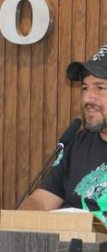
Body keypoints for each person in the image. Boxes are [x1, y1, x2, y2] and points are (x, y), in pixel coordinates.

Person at [20, 45, 107, 224]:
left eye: (100, 87)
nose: (87, 98)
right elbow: (41, 201)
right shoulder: (77, 144)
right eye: (85, 88)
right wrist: (23, 219)